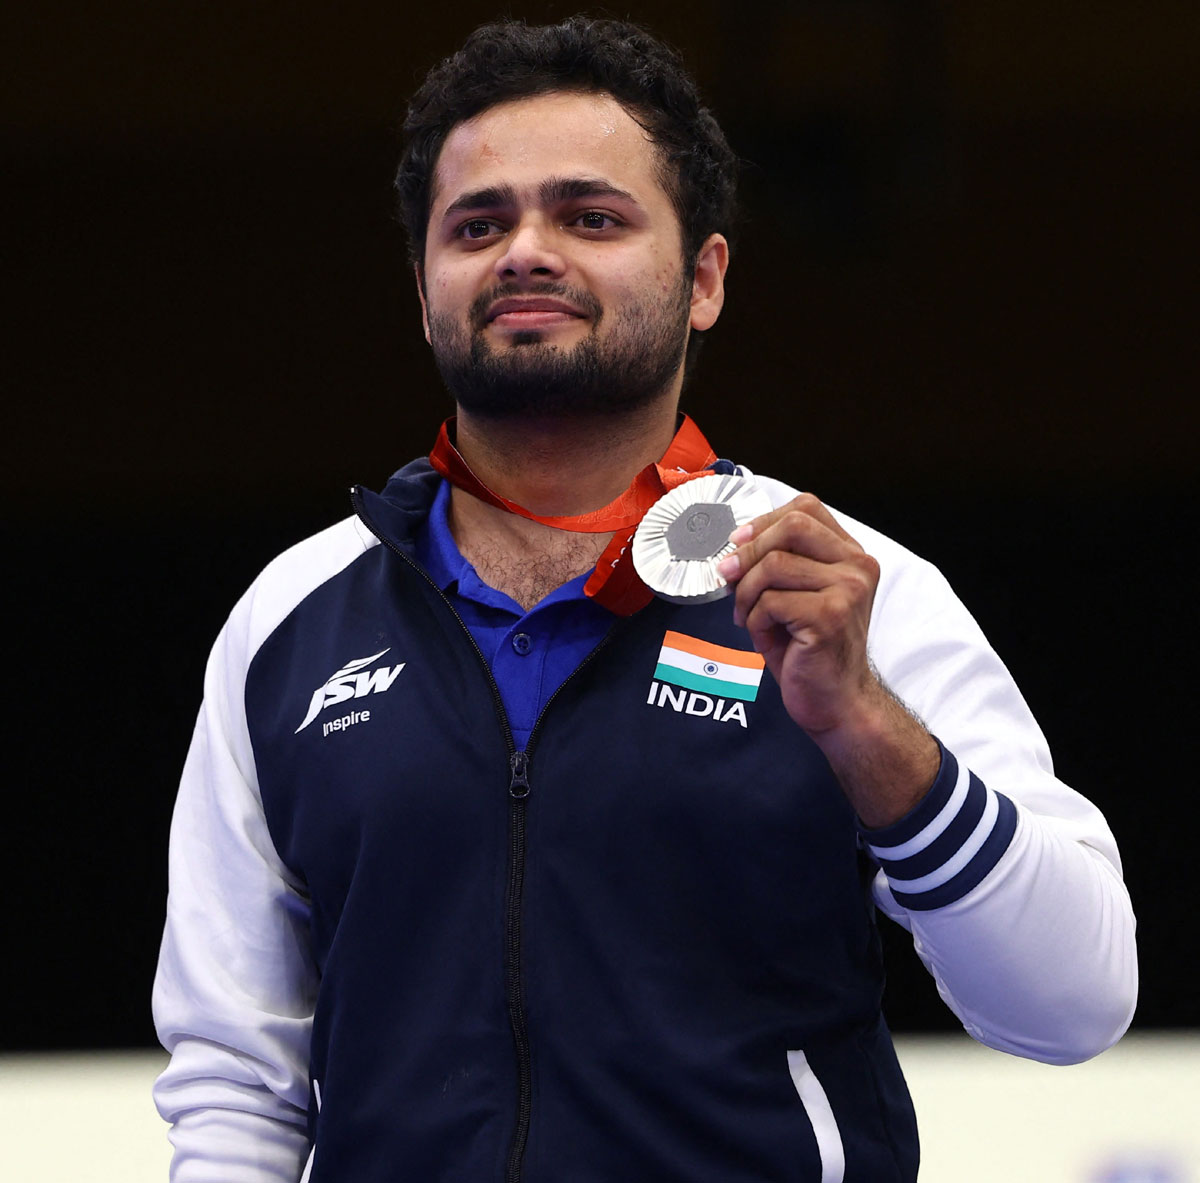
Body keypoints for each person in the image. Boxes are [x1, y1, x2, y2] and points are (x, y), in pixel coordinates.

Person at [152, 16, 1137, 1182]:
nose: (525, 250)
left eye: (590, 216)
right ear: (423, 289)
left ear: (706, 279)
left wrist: (865, 724)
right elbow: (235, 1083)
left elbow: (1076, 1003)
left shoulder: (852, 592)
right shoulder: (293, 620)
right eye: (479, 224)